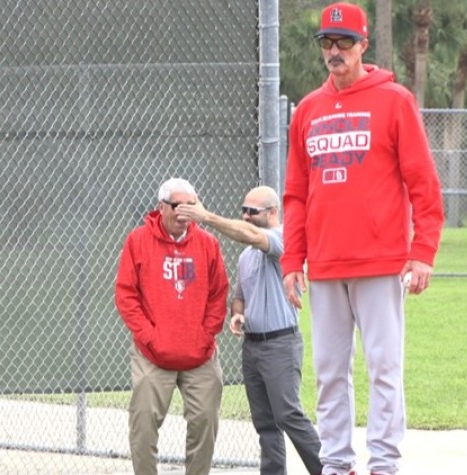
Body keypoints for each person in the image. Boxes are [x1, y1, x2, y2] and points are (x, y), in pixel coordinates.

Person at [281, 3, 445, 475]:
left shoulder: (393, 100)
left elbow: (423, 185)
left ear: (363, 45)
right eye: (327, 43)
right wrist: (293, 259)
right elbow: (295, 193)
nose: (335, 52)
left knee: (383, 370)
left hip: (380, 261)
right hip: (326, 265)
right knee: (329, 374)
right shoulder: (308, 110)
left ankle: (385, 465)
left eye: (344, 43)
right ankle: (335, 464)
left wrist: (423, 252)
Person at [177, 186, 322, 475]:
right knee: (265, 423)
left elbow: (253, 235)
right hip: (253, 347)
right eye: (243, 210)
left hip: (281, 343)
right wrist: (238, 315)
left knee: (289, 415)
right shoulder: (246, 257)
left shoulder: (283, 240)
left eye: (252, 211)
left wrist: (206, 217)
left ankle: (327, 470)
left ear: (272, 213)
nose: (245, 216)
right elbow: (240, 295)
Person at [114, 178, 230, 475]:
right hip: (153, 354)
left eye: (190, 206)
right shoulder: (138, 241)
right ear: (161, 207)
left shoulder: (208, 244)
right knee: (143, 425)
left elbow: (219, 293)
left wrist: (207, 335)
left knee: (205, 421)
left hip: (200, 354)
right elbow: (126, 294)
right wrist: (148, 336)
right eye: (178, 206)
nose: (184, 214)